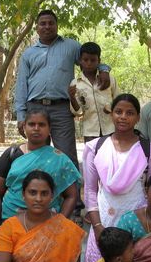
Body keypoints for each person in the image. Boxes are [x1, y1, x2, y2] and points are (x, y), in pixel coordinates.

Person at [14, 9, 111, 169]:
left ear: (57, 25)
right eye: (43, 23)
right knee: (36, 155)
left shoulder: (71, 46)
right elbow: (21, 85)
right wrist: (21, 114)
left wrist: (104, 69)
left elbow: (90, 57)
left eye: (51, 23)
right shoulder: (29, 54)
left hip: (62, 109)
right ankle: (41, 192)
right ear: (37, 28)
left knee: (66, 155)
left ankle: (72, 194)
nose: (47, 26)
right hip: (35, 108)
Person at [83, 93, 151, 262]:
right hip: (103, 220)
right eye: (118, 111)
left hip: (136, 222)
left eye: (130, 113)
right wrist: (97, 227)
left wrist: (147, 225)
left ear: (138, 118)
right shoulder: (95, 147)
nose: (123, 117)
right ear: (111, 114)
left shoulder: (148, 150)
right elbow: (90, 191)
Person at [0, 108, 81, 222]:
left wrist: (59, 223)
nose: (36, 128)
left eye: (41, 125)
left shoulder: (60, 159)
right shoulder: (11, 154)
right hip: (10, 222)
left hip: (47, 227)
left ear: (49, 129)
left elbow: (71, 196)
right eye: (31, 124)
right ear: (24, 127)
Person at [69, 42, 118, 142]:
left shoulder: (109, 79)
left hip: (111, 129)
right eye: (85, 60)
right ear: (80, 61)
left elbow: (119, 100)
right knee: (92, 157)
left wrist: (109, 107)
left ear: (99, 61)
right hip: (90, 132)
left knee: (112, 156)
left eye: (93, 60)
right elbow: (79, 113)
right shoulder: (75, 84)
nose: (89, 63)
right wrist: (72, 97)